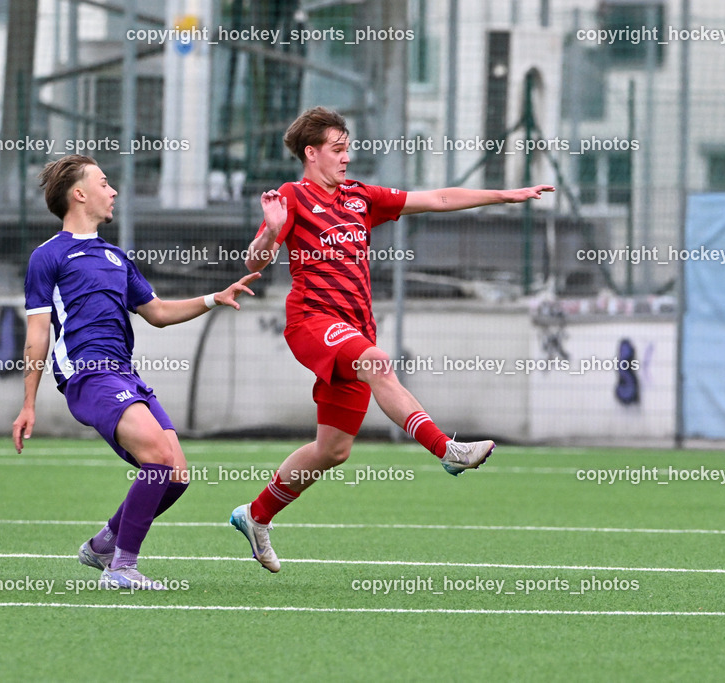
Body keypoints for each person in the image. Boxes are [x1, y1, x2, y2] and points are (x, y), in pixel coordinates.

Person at [230, 107, 554, 572]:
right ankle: (448, 451)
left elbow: (438, 198)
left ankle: (256, 515)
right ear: (311, 153)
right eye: (337, 150)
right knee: (377, 362)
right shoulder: (291, 196)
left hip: (355, 329)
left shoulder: (361, 197)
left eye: (347, 149)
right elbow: (254, 262)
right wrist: (274, 233)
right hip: (312, 322)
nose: (346, 157)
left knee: (332, 450)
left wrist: (504, 195)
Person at [12, 154, 258, 590]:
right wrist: (28, 403)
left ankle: (103, 545)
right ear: (79, 193)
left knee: (176, 475)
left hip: (125, 374)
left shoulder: (116, 257)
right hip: (88, 375)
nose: (113, 192)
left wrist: (213, 298)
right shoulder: (47, 256)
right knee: (157, 458)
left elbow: (157, 312)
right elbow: (37, 333)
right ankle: (121, 568)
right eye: (104, 183)